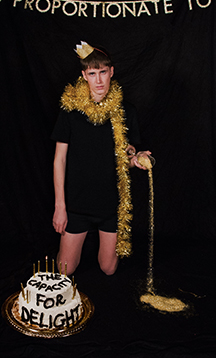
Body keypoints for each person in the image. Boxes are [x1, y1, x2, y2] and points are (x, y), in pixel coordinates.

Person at [50, 41, 151, 276]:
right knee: (65, 270)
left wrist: (136, 160)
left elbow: (125, 158)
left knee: (108, 269)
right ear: (84, 75)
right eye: (92, 73)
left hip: (110, 203)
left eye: (103, 72)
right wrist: (60, 207)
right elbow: (59, 161)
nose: (98, 81)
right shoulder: (70, 111)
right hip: (76, 203)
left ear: (111, 72)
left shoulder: (126, 111)